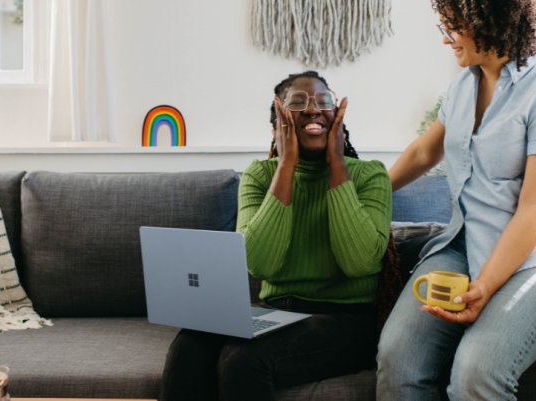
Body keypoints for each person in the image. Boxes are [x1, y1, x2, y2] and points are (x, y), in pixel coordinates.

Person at [376, 1, 536, 400]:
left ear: (492, 19)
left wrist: (485, 286)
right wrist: (363, 195)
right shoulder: (464, 85)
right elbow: (425, 153)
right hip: (464, 244)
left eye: (455, 25)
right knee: (397, 360)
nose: (445, 37)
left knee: (475, 376)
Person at [159, 71, 401, 401]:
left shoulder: (370, 175)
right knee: (191, 345)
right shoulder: (261, 175)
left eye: (324, 101)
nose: (314, 109)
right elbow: (261, 264)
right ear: (278, 126)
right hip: (275, 312)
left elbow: (358, 262)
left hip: (347, 320)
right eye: (298, 103)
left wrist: (336, 164)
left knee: (244, 360)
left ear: (337, 119)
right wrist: (286, 164)